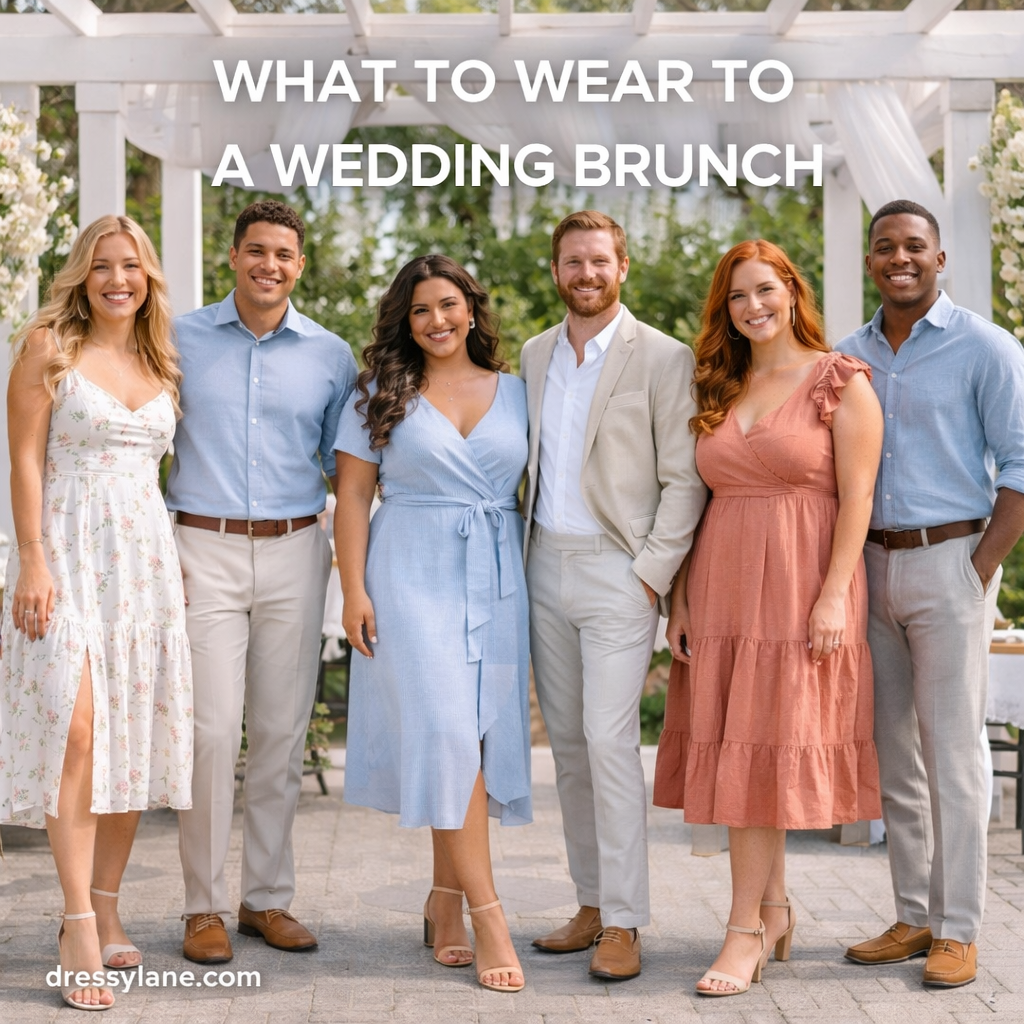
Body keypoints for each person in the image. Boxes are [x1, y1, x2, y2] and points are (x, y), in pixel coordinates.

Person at [653, 239, 884, 997]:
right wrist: (681, 596)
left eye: (764, 290)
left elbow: (859, 498)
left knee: (766, 750)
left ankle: (743, 931)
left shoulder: (838, 381)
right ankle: (775, 909)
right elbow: (701, 499)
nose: (753, 307)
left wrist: (831, 594)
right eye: (737, 297)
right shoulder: (719, 385)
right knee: (748, 750)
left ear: (792, 290)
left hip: (799, 586)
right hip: (722, 590)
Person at [0, 215, 192, 1010]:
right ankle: (77, 919)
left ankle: (107, 905)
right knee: (76, 731)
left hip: (144, 568)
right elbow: (24, 455)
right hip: (68, 556)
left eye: (133, 267)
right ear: (82, 273)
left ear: (148, 278)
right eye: (104, 266)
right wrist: (33, 560)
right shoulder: (50, 346)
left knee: (128, 735)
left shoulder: (161, 359)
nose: (119, 279)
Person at [838, 200, 1024, 989]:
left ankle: (959, 929)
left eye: (915, 246)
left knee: (954, 753)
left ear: (940, 260)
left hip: (951, 562)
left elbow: (1019, 467)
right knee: (895, 755)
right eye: (886, 247)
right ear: (871, 262)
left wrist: (978, 569)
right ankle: (913, 914)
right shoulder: (848, 356)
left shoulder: (987, 347)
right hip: (869, 572)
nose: (900, 258)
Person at [333, 254, 531, 994]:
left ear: (472, 310)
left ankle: (442, 901)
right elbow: (353, 497)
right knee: (449, 736)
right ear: (404, 321)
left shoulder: (517, 390)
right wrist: (353, 590)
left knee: (476, 741)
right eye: (421, 310)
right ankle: (489, 914)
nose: (437, 321)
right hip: (410, 574)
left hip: (497, 575)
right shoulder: (379, 392)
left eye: (449, 305)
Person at [167, 200, 357, 963]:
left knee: (280, 732)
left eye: (283, 253)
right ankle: (203, 906)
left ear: (299, 265)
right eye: (256, 251)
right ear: (234, 256)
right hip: (200, 548)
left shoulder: (331, 356)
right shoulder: (177, 339)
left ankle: (266, 901)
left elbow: (347, 467)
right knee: (212, 733)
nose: (268, 265)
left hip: (294, 550)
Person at [521, 210, 706, 980]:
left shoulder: (663, 358)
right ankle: (592, 901)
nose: (585, 274)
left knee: (607, 739)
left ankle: (627, 919)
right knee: (565, 748)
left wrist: (649, 575)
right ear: (556, 271)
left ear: (621, 266)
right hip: (542, 566)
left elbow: (684, 477)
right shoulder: (533, 355)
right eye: (572, 262)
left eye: (599, 260)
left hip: (618, 572)